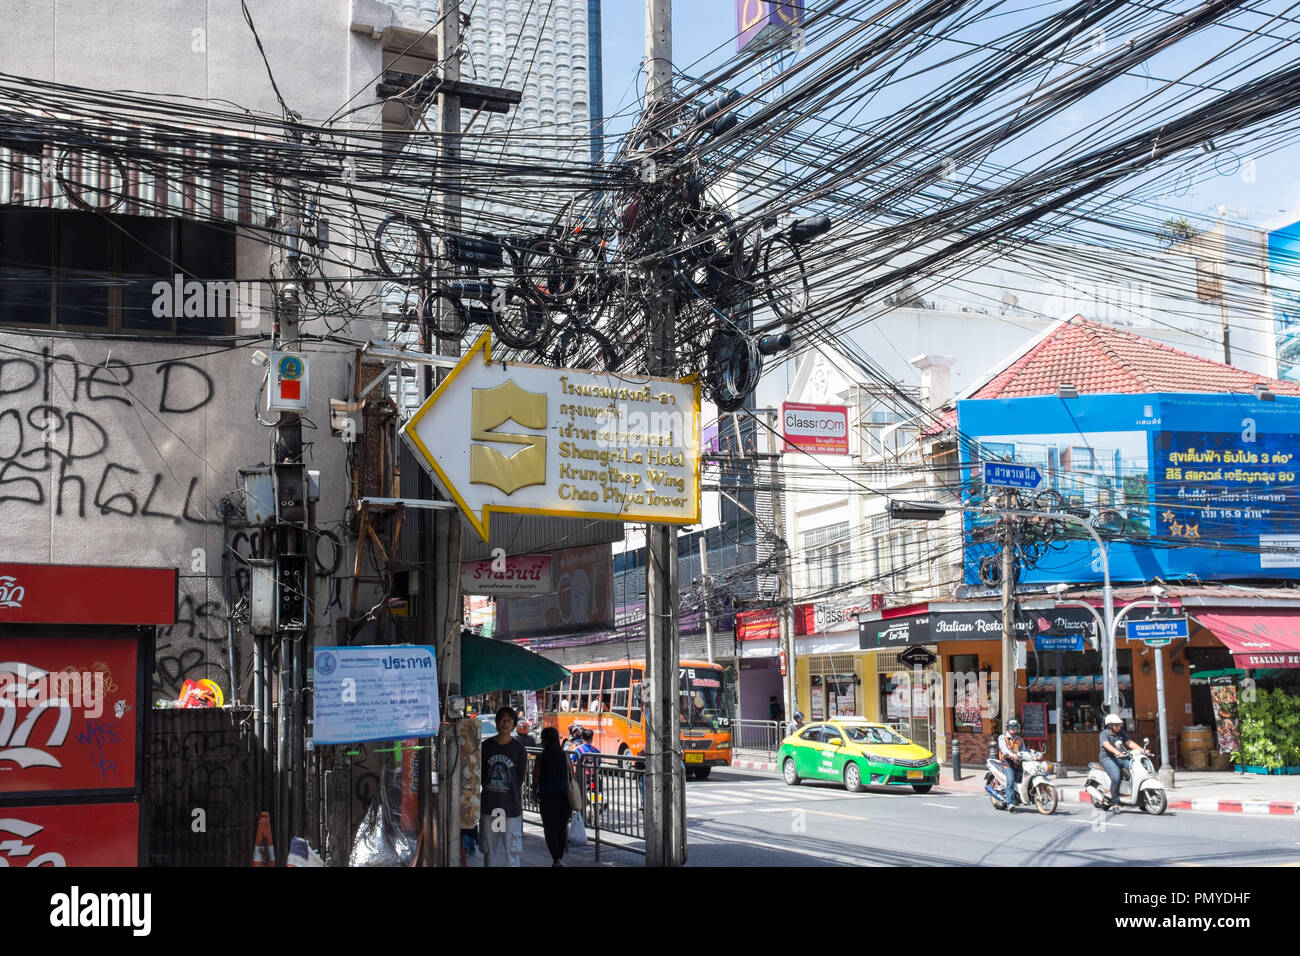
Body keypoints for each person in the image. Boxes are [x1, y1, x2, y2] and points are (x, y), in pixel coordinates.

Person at [480, 706, 528, 867]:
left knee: (511, 853)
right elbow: (481, 773)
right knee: (490, 850)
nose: (506, 723)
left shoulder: (519, 748)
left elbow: (520, 777)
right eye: (503, 719)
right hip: (490, 807)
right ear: (497, 722)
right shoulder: (486, 746)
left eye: (510, 720)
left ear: (514, 724)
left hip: (510, 808)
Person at [531, 726, 572, 867]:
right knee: (562, 827)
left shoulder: (541, 758)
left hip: (547, 798)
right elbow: (571, 775)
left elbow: (535, 779)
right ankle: (559, 855)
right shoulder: (565, 756)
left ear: (545, 740)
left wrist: (533, 792)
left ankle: (556, 858)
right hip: (564, 798)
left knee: (550, 828)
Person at [1099, 713, 1143, 812]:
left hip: (1121, 757)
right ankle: (1115, 803)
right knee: (1116, 777)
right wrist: (1116, 752)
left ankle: (1140, 799)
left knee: (1135, 770)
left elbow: (1129, 743)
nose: (1119, 727)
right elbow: (1106, 745)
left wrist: (1142, 750)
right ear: (1110, 725)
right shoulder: (1104, 734)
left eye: (1119, 725)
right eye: (1116, 725)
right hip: (1107, 758)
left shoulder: (1120, 733)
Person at [998, 718, 1025, 810]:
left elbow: (1024, 751)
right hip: (1007, 762)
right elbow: (1003, 749)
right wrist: (1011, 754)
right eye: (1011, 726)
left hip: (1018, 762)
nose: (1013, 728)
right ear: (1008, 727)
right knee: (1011, 780)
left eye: (1015, 726)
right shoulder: (1002, 737)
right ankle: (1010, 803)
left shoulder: (1020, 739)